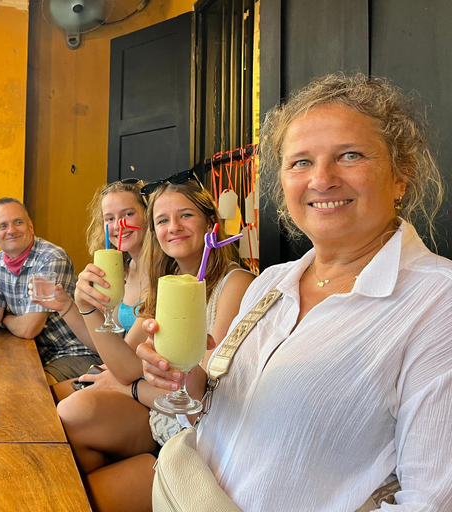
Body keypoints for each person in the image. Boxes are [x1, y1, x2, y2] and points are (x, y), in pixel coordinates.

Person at [138, 73, 452, 510]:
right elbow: (222, 414)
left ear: (401, 176)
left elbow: (431, 502)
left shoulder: (438, 304)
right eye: (300, 162)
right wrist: (186, 377)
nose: (322, 179)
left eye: (350, 155)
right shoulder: (271, 283)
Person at [57, 178, 254, 512]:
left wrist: (129, 390)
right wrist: (87, 306)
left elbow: (205, 400)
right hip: (159, 414)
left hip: (198, 436)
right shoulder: (169, 283)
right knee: (70, 422)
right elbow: (125, 366)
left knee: (75, 494)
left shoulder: (236, 284)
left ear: (210, 224)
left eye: (186, 216)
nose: (173, 227)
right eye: (162, 220)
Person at [30, 179, 150, 399]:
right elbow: (103, 342)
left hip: (140, 385)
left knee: (50, 402)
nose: (117, 226)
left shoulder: (159, 273)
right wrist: (65, 305)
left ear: (148, 215)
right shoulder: (125, 269)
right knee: (40, 398)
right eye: (109, 219)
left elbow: (124, 358)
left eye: (128, 214)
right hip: (119, 371)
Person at [0, 197, 102, 384]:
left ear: (30, 227)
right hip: (37, 352)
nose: (11, 230)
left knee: (31, 391)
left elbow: (30, 328)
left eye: (18, 222)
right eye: (3, 226)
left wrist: (4, 318)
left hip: (74, 352)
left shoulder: (51, 257)